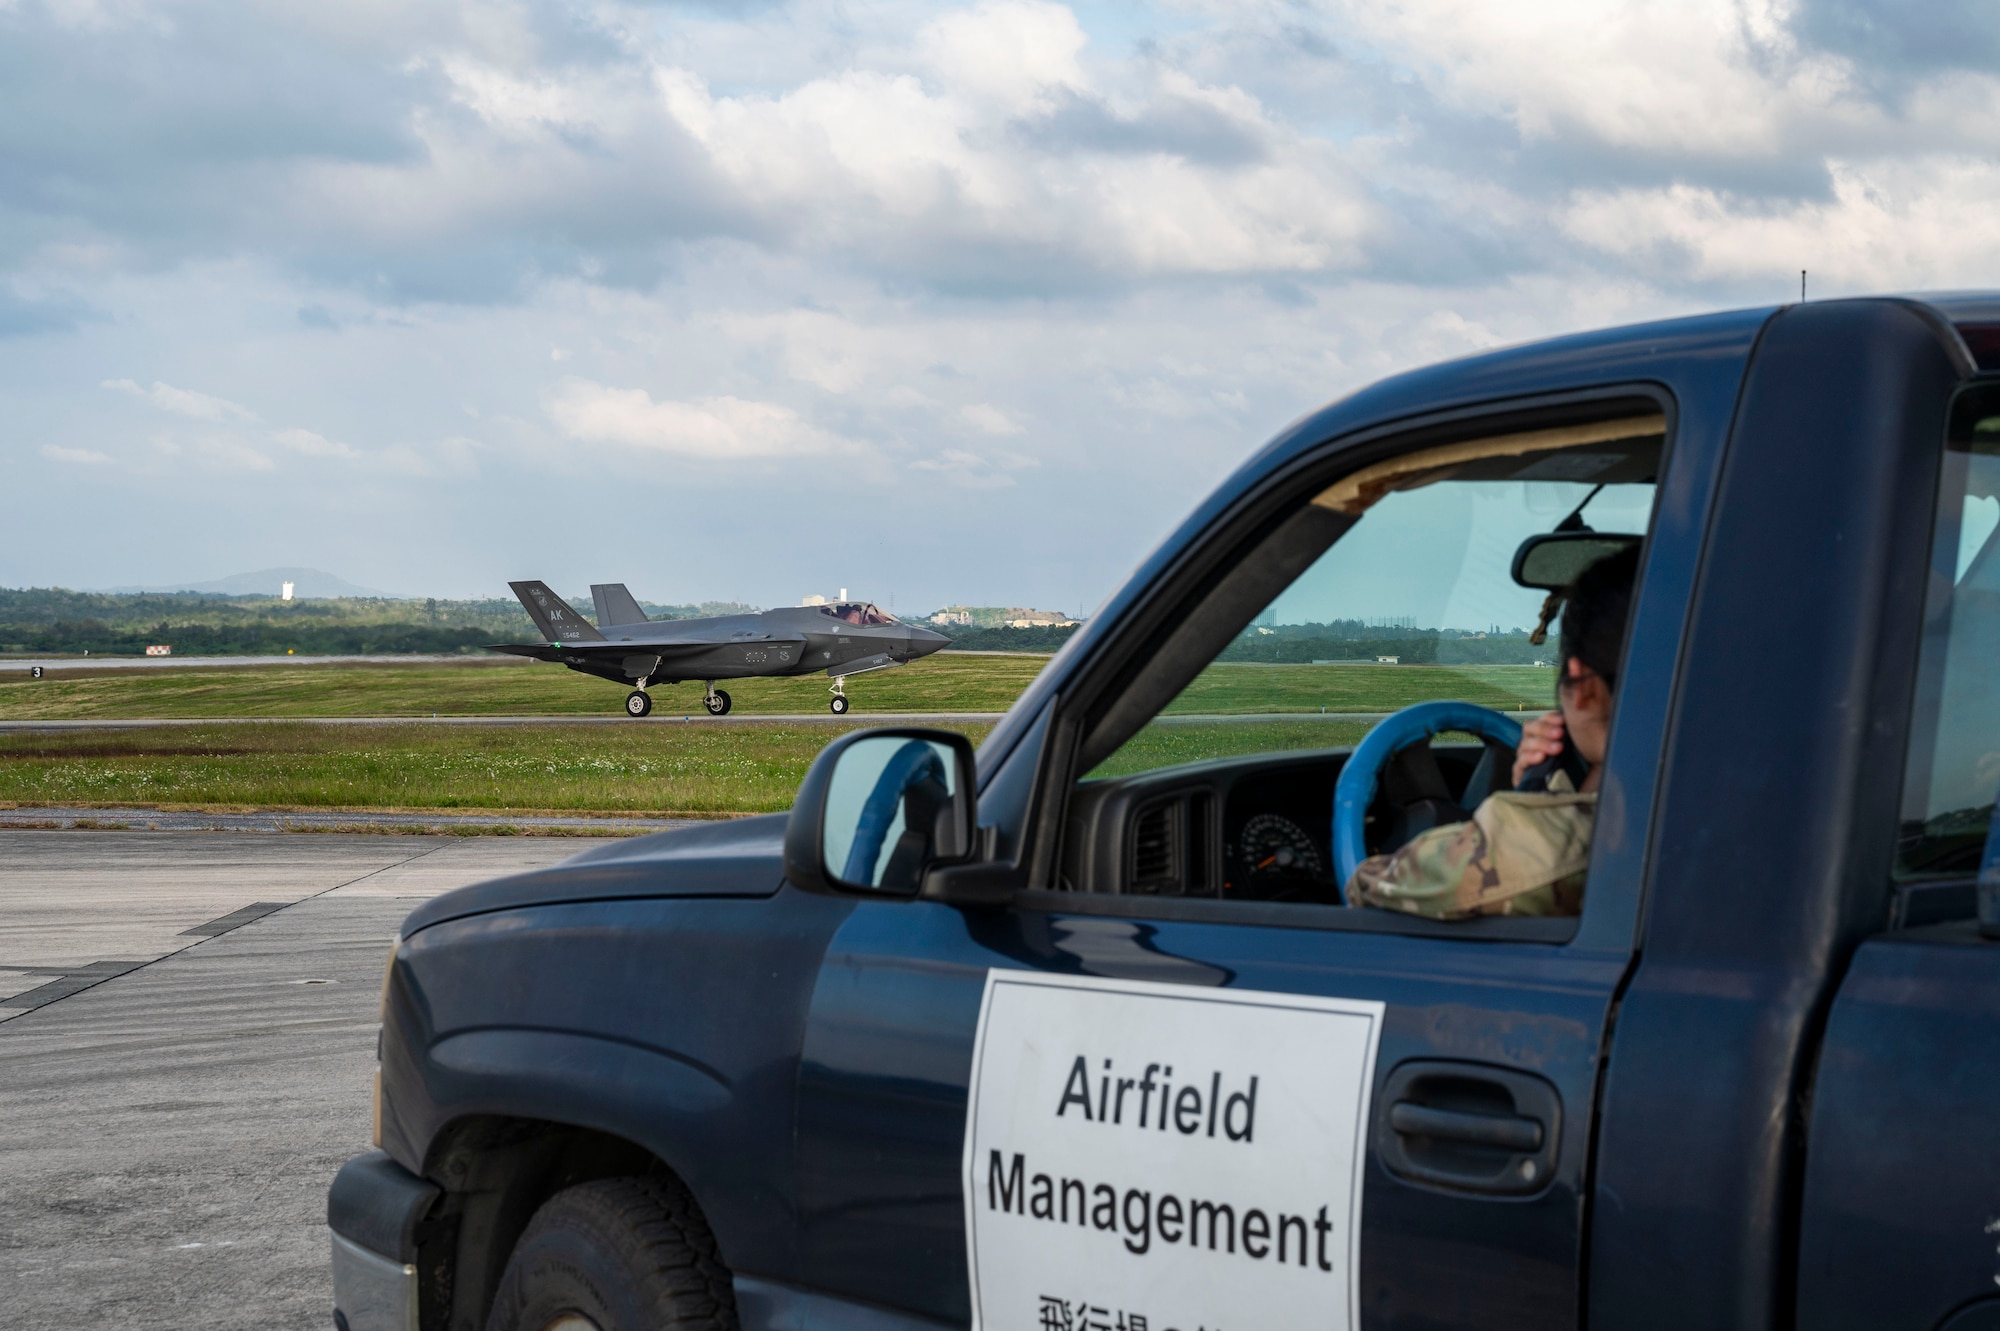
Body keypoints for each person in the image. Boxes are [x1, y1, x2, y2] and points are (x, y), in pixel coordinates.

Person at [1347, 546, 1637, 919]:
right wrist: (1555, 790)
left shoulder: (1536, 854)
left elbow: (1365, 887)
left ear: (1583, 686)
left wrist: (1528, 808)